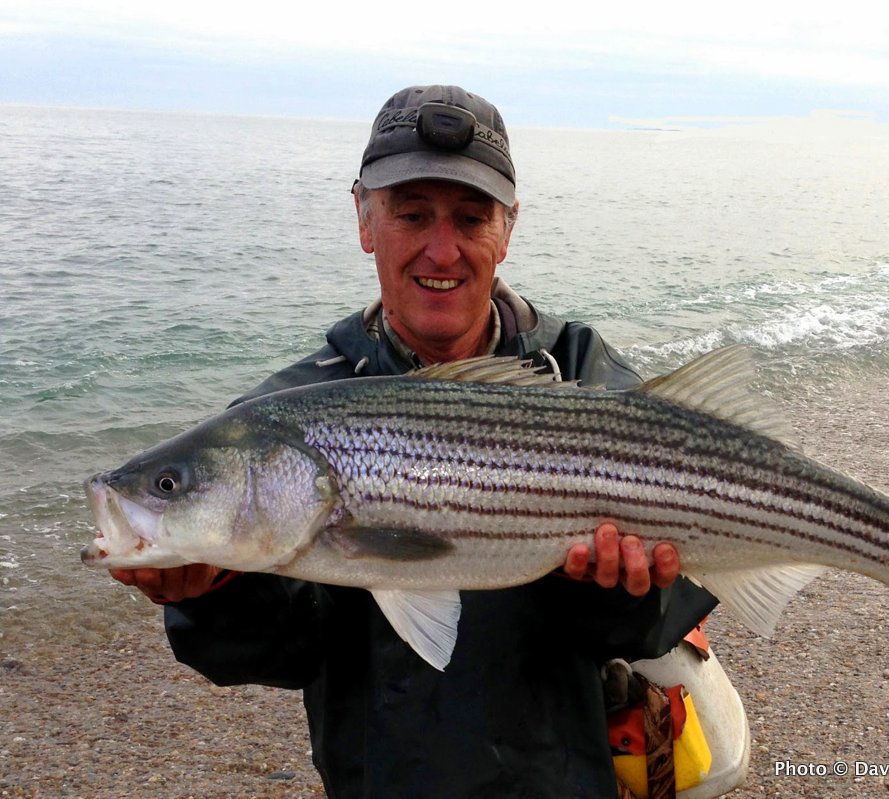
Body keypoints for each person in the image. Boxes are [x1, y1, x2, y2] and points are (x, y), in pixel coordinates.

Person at [110, 85, 719, 798]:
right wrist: (211, 597)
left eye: (470, 217)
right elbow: (283, 649)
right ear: (365, 219)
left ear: (508, 228)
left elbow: (658, 625)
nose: (442, 248)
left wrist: (621, 593)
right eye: (412, 214)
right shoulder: (285, 414)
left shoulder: (581, 374)